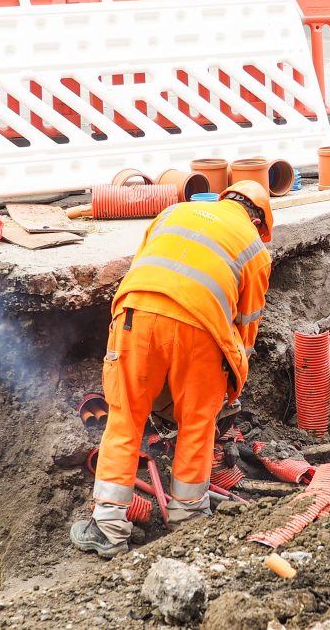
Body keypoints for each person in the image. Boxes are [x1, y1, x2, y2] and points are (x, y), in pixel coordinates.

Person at [70, 180, 274, 557]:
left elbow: (146, 270)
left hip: (136, 319)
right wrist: (229, 389)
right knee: (198, 423)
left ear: (225, 198)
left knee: (125, 418)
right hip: (202, 334)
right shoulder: (256, 251)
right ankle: (188, 519)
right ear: (260, 223)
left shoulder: (172, 213)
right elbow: (245, 333)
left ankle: (108, 529)